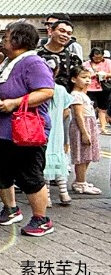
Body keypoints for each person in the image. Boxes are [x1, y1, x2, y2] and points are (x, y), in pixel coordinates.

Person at [0, 22, 55, 237]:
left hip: (24, 131)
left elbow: (46, 91)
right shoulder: (9, 61)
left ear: (19, 40)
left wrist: (14, 102)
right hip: (0, 131)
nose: (4, 40)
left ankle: (41, 219)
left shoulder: (33, 62)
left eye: (7, 36)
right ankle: (11, 209)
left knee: (29, 175)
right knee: (0, 171)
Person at [67, 65, 102, 195]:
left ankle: (81, 180)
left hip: (89, 124)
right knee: (82, 155)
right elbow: (79, 115)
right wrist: (84, 132)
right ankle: (80, 183)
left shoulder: (82, 94)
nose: (87, 80)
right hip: (82, 125)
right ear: (73, 79)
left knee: (87, 155)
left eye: (89, 78)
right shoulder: (76, 95)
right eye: (83, 77)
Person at [42, 77, 72, 207]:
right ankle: (64, 193)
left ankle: (47, 196)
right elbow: (67, 110)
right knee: (59, 158)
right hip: (58, 130)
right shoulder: (61, 90)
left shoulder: (39, 90)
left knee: (45, 161)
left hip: (42, 129)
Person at [37, 19, 84, 88]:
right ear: (50, 31)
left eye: (69, 33)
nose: (65, 35)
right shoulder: (35, 54)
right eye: (62, 31)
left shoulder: (73, 58)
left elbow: (79, 83)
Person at [83, 47, 110, 135]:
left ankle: (103, 128)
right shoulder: (86, 64)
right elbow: (82, 74)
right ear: (92, 56)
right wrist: (93, 75)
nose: (98, 59)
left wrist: (106, 75)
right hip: (90, 88)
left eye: (100, 57)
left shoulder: (108, 62)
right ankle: (90, 127)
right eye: (96, 58)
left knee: (103, 109)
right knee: (90, 108)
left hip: (103, 88)